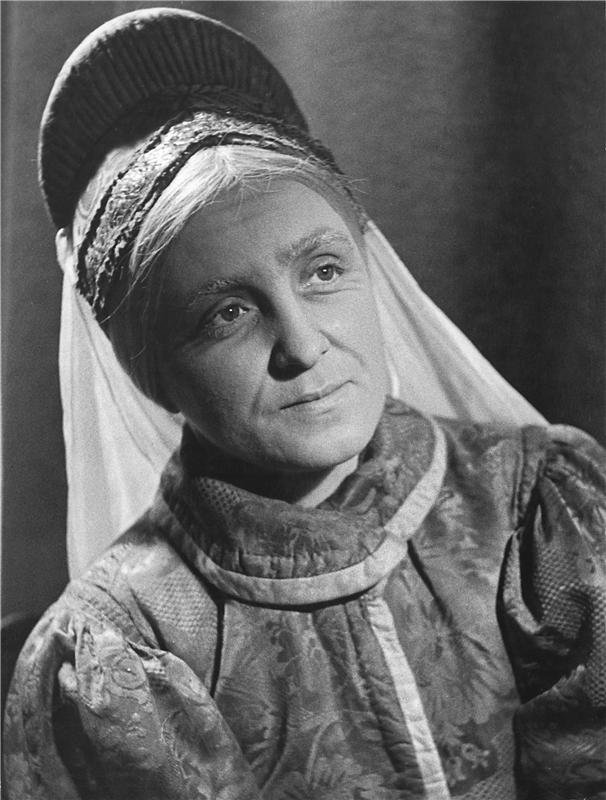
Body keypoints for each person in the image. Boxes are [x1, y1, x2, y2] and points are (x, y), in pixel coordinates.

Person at [3, 8, 605, 800]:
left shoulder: (531, 507)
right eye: (228, 313)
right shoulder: (130, 642)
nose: (304, 345)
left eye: (322, 271)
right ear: (149, 375)